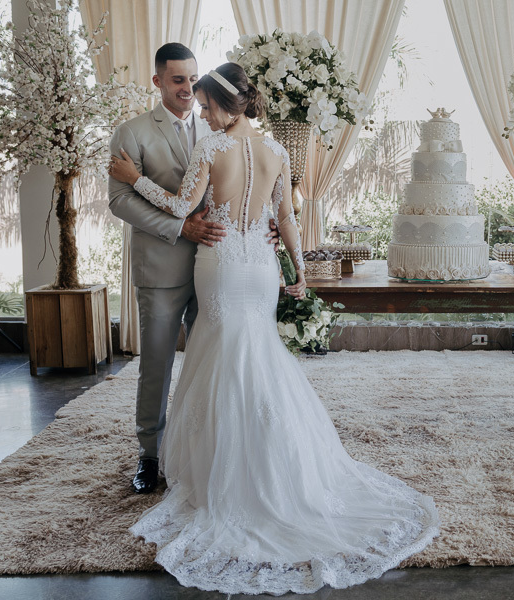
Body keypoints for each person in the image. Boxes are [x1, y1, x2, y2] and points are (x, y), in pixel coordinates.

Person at [108, 62, 439, 595]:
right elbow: (286, 218)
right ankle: (280, 466)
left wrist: (135, 179)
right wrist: (299, 274)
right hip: (260, 269)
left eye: (208, 105)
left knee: (220, 356)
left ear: (219, 105)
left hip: (219, 263)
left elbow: (178, 207)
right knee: (256, 353)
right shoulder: (279, 151)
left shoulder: (209, 149)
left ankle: (225, 472)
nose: (205, 113)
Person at [108, 43, 222, 494]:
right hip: (160, 269)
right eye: (178, 80)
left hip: (215, 268)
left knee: (208, 364)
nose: (188, 89)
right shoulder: (131, 133)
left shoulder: (218, 129)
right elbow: (120, 201)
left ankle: (200, 451)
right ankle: (149, 456)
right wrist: (181, 229)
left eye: (194, 79)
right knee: (156, 365)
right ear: (157, 82)